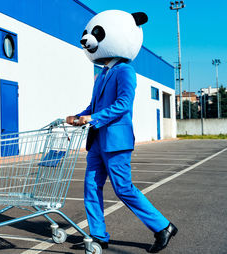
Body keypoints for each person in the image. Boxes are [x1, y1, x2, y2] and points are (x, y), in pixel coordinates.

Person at [66, 10, 177, 253]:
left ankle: (162, 226)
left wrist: (92, 118)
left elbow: (123, 104)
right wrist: (79, 117)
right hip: (97, 141)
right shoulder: (102, 74)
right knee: (90, 187)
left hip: (116, 141)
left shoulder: (125, 71)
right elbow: (94, 106)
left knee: (123, 188)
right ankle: (98, 235)